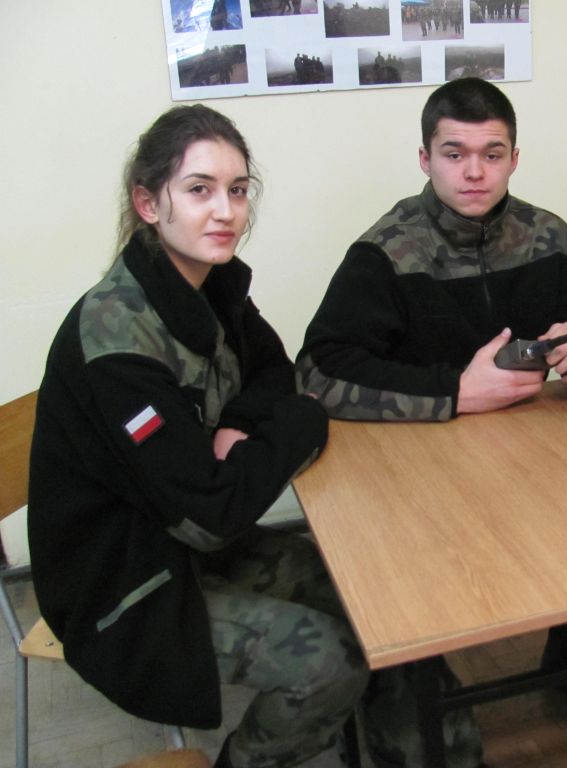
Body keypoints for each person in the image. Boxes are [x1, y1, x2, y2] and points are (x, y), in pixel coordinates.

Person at [297, 77, 567, 765]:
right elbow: (316, 373)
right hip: (421, 467)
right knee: (418, 611)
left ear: (516, 158)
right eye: (455, 154)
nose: (475, 172)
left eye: (492, 153)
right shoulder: (385, 251)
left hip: (536, 455)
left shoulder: (549, 236)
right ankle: (413, 686)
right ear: (425, 159)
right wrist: (454, 392)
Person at [28, 104, 369, 768]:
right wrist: (305, 420)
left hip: (179, 540)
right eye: (199, 189)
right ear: (148, 204)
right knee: (333, 661)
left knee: (359, 597)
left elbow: (273, 370)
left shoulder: (208, 284)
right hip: (125, 584)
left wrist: (239, 425)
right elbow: (212, 517)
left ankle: (407, 747)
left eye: (237, 190)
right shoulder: (117, 339)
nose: (225, 211)